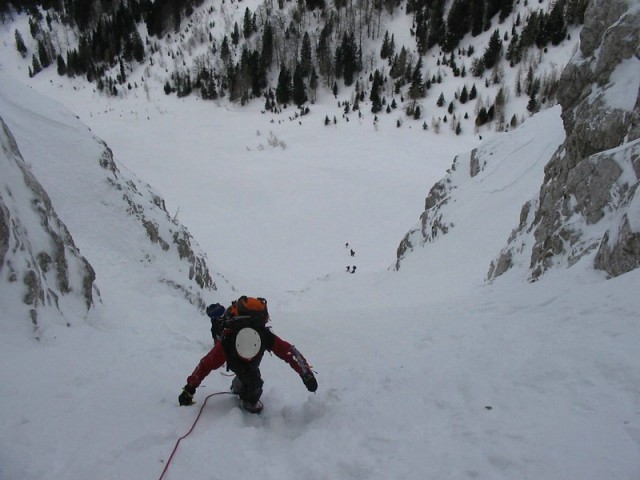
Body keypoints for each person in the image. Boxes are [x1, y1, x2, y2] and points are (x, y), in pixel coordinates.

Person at [178, 296, 318, 413]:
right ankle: (246, 398)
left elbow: (289, 352)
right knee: (254, 383)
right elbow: (205, 365)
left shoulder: (264, 336)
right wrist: (189, 388)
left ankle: (241, 386)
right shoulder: (227, 344)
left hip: (243, 357)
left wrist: (307, 374)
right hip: (234, 359)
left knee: (251, 376)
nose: (248, 358)